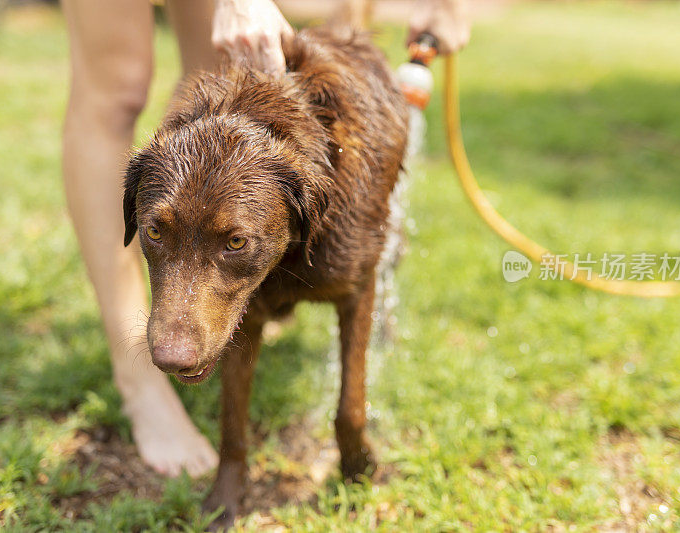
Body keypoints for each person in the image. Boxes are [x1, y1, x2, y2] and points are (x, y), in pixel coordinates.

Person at [60, 0, 470, 478]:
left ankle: (252, 291)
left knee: (212, 61)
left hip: (311, 185)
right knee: (120, 85)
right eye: (154, 230)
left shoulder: (327, 209)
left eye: (235, 242)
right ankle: (139, 384)